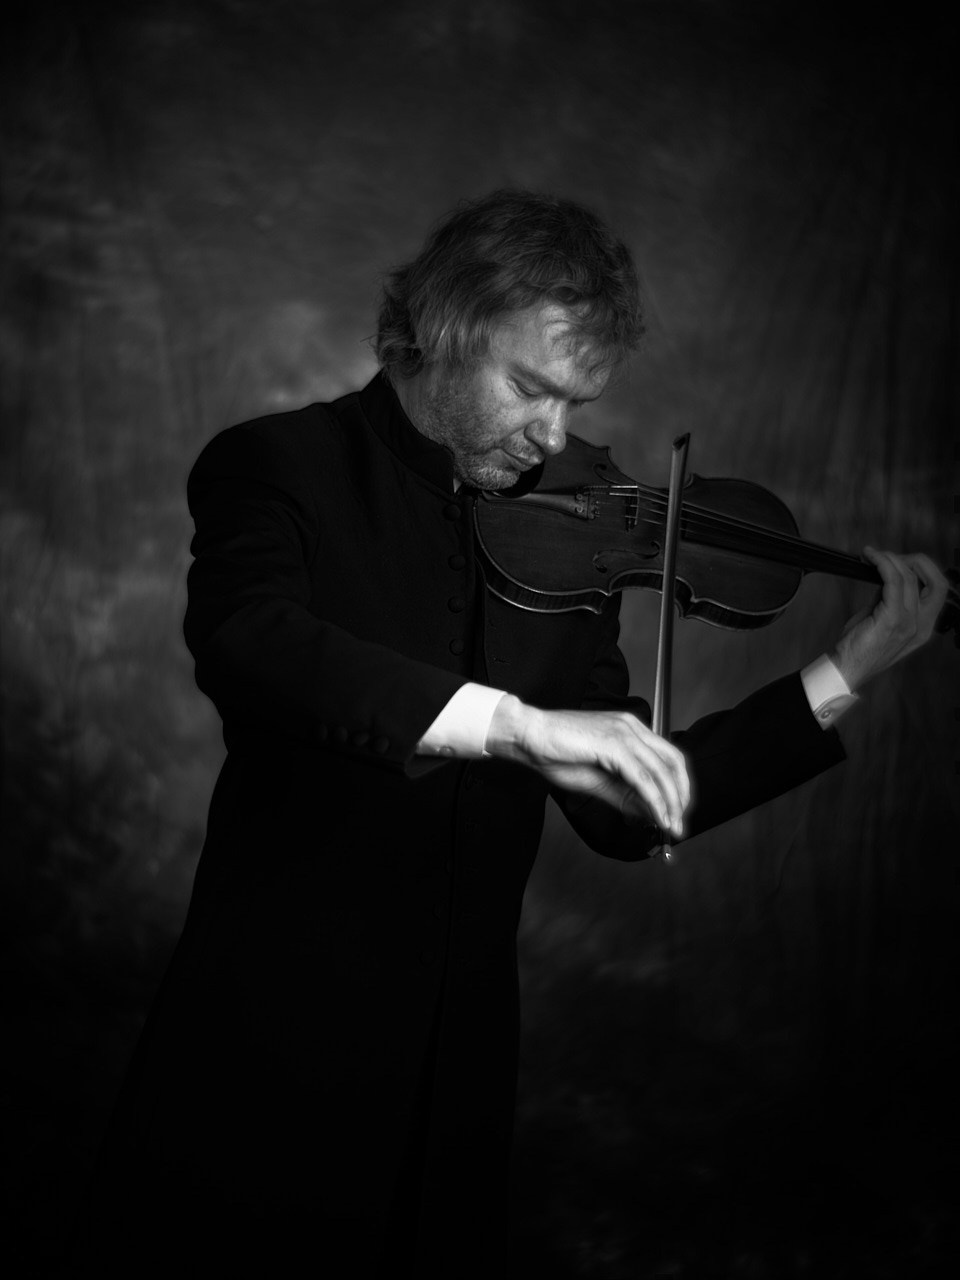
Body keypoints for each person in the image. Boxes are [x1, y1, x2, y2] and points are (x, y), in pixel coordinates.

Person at [86, 190, 947, 1277]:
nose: (552, 435)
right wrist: (515, 726)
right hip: (267, 1049)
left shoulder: (574, 525)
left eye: (575, 401)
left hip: (457, 1082)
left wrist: (845, 671)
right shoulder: (278, 464)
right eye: (530, 388)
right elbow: (248, 641)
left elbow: (629, 807)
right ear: (438, 332)